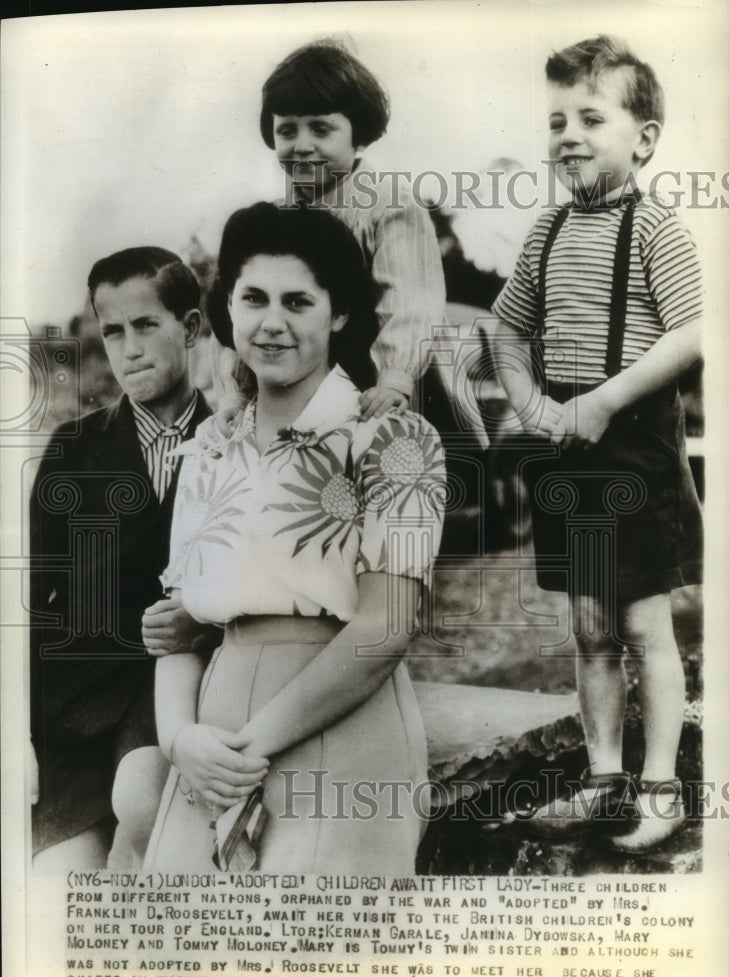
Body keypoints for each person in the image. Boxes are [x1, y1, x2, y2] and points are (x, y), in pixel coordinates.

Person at [116, 202, 446, 873]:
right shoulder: (206, 451)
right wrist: (181, 740)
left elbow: (385, 627)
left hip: (339, 724)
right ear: (227, 312)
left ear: (340, 314)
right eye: (254, 299)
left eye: (299, 302)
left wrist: (246, 747)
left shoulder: (392, 441)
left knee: (310, 953)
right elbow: (180, 631)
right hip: (211, 744)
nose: (272, 323)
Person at [490, 36, 703, 853]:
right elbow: (507, 331)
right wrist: (532, 404)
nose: (567, 135)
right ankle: (602, 778)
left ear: (642, 138)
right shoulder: (545, 232)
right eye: (555, 121)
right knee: (588, 629)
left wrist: (605, 399)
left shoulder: (655, 228)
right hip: (566, 453)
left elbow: (689, 332)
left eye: (589, 116)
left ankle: (661, 789)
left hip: (632, 451)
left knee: (644, 623)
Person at [30, 247, 214, 872]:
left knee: (144, 809)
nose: (129, 347)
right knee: (57, 883)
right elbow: (32, 601)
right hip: (76, 704)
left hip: (176, 691)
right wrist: (18, 738)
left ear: (190, 328)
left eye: (146, 326)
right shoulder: (73, 450)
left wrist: (205, 623)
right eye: (113, 331)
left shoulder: (231, 445)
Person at [213, 39, 485, 445]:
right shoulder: (270, 222)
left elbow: (411, 303)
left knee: (398, 467)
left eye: (321, 129)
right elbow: (239, 312)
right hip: (302, 380)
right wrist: (237, 389)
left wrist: (395, 378)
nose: (302, 144)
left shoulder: (389, 206)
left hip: (385, 377)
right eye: (287, 130)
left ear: (358, 133)